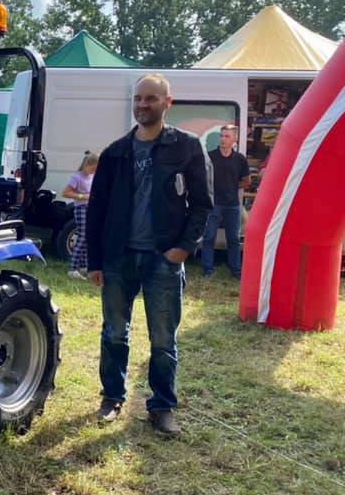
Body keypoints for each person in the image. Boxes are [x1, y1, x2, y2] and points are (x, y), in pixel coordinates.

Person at [86, 74, 213, 436]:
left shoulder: (186, 147)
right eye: (138, 98)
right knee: (114, 333)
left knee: (163, 340)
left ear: (168, 103)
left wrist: (183, 248)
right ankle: (112, 398)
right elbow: (97, 209)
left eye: (151, 99)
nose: (143, 104)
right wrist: (95, 261)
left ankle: (162, 407)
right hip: (119, 258)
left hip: (163, 259)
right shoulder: (115, 152)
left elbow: (202, 204)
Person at [201, 125, 251, 278]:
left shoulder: (240, 159)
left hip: (233, 205)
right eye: (221, 136)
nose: (223, 139)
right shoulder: (210, 157)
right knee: (209, 238)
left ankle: (236, 271)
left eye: (227, 136)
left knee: (233, 239)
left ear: (234, 139)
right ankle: (208, 270)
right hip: (213, 204)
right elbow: (202, 178)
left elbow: (247, 181)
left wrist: (232, 186)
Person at [62, 151, 99, 280]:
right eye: (92, 169)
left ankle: (83, 266)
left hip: (91, 208)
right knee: (82, 236)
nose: (93, 171)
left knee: (88, 237)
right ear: (86, 165)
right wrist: (83, 196)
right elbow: (65, 193)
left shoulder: (92, 176)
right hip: (81, 208)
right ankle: (72, 269)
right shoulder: (76, 177)